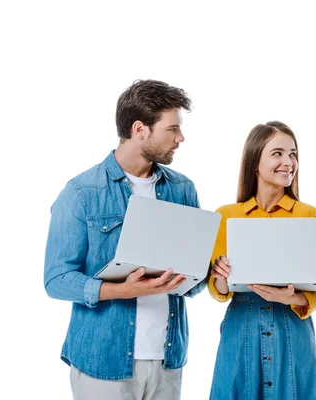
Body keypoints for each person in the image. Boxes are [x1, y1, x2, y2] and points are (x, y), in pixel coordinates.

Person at [44, 79, 205, 400]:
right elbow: (56, 280)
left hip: (167, 359)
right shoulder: (81, 192)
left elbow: (195, 282)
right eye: (172, 129)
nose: (181, 138)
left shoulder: (182, 189)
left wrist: (207, 273)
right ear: (139, 128)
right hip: (103, 360)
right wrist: (123, 290)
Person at [208, 121, 316, 400]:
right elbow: (219, 292)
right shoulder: (226, 215)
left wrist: (289, 298)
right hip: (242, 329)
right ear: (255, 161)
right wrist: (221, 276)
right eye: (278, 153)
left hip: (292, 330)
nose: (288, 162)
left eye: (293, 154)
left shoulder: (308, 215)